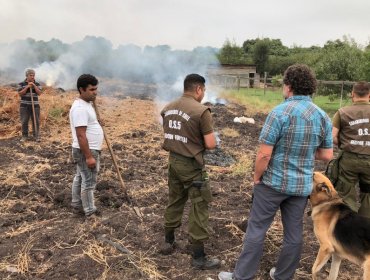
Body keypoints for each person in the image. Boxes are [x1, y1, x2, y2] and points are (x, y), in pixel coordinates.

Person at [218, 64, 333, 280]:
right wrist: (305, 152)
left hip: (273, 184)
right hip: (300, 188)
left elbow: (264, 155)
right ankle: (283, 275)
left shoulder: (279, 112)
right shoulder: (323, 116)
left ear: (289, 86)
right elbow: (327, 155)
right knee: (293, 234)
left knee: (257, 229)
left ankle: (242, 276)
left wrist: (256, 177)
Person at [159, 73, 220, 270]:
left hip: (173, 162)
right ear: (199, 89)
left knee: (175, 200)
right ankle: (199, 257)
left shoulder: (168, 108)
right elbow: (210, 144)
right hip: (192, 166)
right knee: (199, 206)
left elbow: (173, 134)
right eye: (204, 91)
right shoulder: (202, 111)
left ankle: (168, 241)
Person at [332, 81, 370, 219]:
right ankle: (366, 228)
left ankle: (349, 224)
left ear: (352, 94)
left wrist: (343, 143)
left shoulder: (342, 112)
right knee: (368, 193)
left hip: (349, 160)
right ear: (369, 95)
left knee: (346, 192)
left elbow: (333, 137)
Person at [69, 74, 103, 218]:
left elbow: (88, 125)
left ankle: (77, 205)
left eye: (96, 89)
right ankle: (90, 212)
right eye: (91, 89)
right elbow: (81, 134)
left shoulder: (87, 104)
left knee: (80, 177)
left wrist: (97, 123)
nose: (95, 92)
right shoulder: (80, 108)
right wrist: (89, 156)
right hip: (86, 150)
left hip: (86, 149)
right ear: (81, 90)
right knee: (88, 181)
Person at [17, 68, 43, 141]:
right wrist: (27, 87)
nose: (32, 77)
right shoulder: (21, 84)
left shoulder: (37, 84)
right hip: (24, 106)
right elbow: (20, 93)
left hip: (35, 106)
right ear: (27, 76)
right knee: (24, 121)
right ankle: (25, 136)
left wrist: (34, 86)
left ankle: (36, 136)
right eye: (31, 75)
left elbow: (39, 93)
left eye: (33, 75)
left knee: (36, 121)